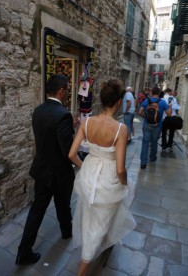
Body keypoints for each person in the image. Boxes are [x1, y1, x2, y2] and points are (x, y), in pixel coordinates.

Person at [69, 79, 136, 276]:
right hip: (109, 180)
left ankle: (104, 243)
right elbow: (121, 169)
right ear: (117, 103)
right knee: (99, 225)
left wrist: (85, 168)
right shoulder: (120, 129)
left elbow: (72, 154)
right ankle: (84, 266)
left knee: (91, 216)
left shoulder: (86, 122)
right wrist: (124, 184)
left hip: (89, 175)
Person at [16, 75, 76, 265]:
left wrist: (68, 128)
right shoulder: (63, 114)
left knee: (37, 211)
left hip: (42, 169)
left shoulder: (38, 110)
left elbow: (47, 137)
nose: (68, 92)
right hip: (59, 173)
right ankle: (66, 232)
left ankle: (23, 252)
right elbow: (67, 150)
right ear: (61, 91)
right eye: (67, 89)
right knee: (63, 204)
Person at [139, 86, 171, 169]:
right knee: (154, 142)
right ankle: (152, 158)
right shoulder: (163, 102)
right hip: (157, 126)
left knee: (145, 143)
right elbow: (169, 114)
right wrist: (169, 106)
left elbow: (139, 112)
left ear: (151, 93)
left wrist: (145, 117)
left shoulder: (146, 101)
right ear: (159, 93)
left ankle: (143, 162)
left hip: (146, 125)